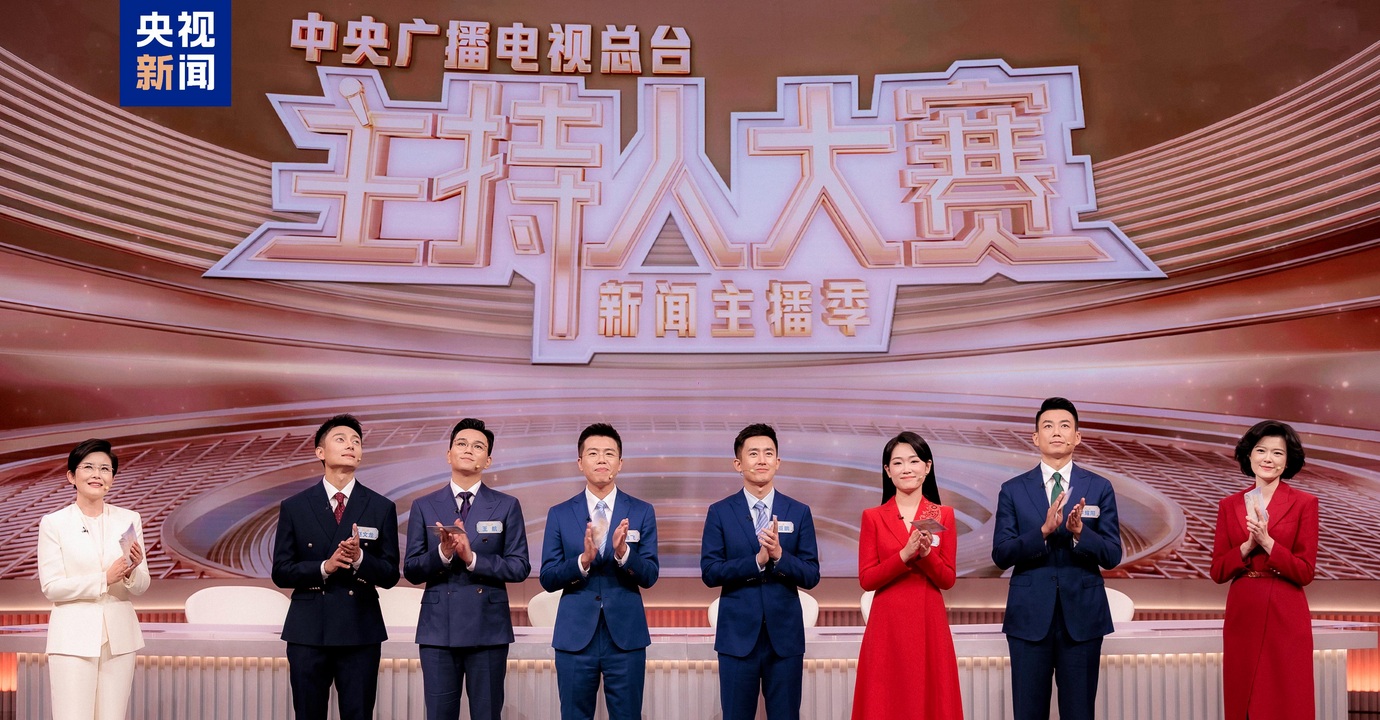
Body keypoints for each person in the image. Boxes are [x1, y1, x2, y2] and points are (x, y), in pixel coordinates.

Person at [991, 397, 1122, 720]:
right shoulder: (1013, 490)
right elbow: (1001, 554)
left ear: (1077, 436)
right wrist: (1043, 531)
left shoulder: (1099, 487)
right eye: (1048, 426)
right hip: (1029, 618)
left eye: (1065, 425)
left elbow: (1112, 555)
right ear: (1036, 437)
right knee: (1028, 713)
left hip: (1083, 619)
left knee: (1079, 713)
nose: (1057, 432)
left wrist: (1080, 533)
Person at [272, 414, 400, 720]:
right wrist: (324, 567)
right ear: (320, 452)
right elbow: (281, 571)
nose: (351, 446)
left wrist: (359, 559)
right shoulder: (295, 506)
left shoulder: (381, 507)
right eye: (341, 439)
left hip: (360, 630)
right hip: (308, 630)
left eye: (356, 441)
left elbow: (390, 574)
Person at [404, 417, 531, 720]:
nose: (468, 449)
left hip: (488, 629)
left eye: (478, 446)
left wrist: (473, 558)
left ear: (488, 460)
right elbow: (411, 569)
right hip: (438, 630)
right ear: (449, 454)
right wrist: (443, 554)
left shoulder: (506, 505)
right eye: (461, 443)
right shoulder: (424, 505)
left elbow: (519, 566)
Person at [539, 423, 659, 720]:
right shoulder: (560, 513)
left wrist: (623, 554)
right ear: (580, 462)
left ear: (620, 462)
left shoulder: (642, 510)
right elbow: (548, 577)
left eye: (609, 453)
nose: (602, 459)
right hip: (575, 636)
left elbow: (650, 575)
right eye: (593, 453)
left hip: (626, 636)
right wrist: (583, 560)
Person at [701, 423, 821, 720]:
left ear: (778, 462)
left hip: (785, 640)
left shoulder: (798, 511)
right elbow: (710, 572)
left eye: (768, 453)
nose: (762, 460)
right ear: (738, 464)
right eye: (753, 453)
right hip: (736, 638)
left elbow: (811, 574)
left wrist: (780, 557)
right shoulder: (720, 512)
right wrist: (756, 561)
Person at [1210, 420, 1318, 720]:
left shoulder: (1305, 503)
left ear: (1288, 461)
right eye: (1261, 450)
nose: (1268, 458)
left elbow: (1305, 571)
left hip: (1285, 610)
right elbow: (1217, 571)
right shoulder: (1229, 505)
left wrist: (1268, 543)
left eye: (1277, 453)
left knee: (1286, 698)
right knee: (1242, 696)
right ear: (1249, 455)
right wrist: (1247, 546)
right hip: (1243, 609)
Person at [37, 439, 150, 720]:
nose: (97, 474)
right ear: (71, 476)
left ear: (112, 478)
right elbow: (52, 587)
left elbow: (142, 585)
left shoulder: (129, 519)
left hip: (120, 639)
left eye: (105, 469)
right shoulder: (54, 523)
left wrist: (131, 572)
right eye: (88, 467)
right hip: (73, 639)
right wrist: (103, 579)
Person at [852, 431, 961, 720]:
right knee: (885, 701)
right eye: (897, 463)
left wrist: (925, 556)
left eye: (914, 461)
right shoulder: (873, 516)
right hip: (886, 626)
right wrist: (903, 555)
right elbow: (867, 579)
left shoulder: (943, 515)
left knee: (931, 700)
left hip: (929, 622)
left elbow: (947, 579)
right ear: (888, 471)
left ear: (927, 467)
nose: (906, 469)